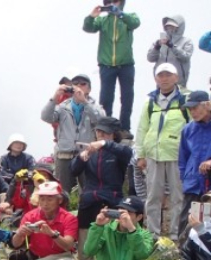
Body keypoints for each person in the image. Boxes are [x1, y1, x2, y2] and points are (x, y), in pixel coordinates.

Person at [71, 116, 132, 260]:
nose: (100, 134)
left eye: (105, 132)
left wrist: (104, 144)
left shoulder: (119, 151)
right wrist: (81, 158)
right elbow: (73, 170)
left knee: (109, 244)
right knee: (85, 245)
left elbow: (127, 153)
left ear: (113, 134)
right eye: (98, 130)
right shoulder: (89, 151)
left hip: (111, 201)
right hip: (89, 202)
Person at [135, 63, 189, 240]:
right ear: (156, 79)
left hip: (177, 155)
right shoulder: (149, 102)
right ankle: (152, 236)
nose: (164, 79)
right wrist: (140, 154)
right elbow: (142, 128)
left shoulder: (185, 100)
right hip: (154, 155)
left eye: (168, 75)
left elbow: (191, 127)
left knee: (177, 196)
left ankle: (176, 234)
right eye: (160, 75)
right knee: (153, 197)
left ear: (176, 77)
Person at [83, 0, 141, 136]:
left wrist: (119, 13)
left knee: (127, 97)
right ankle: (105, 128)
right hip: (106, 65)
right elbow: (88, 28)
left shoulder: (128, 17)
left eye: (115, 1)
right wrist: (92, 16)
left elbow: (135, 23)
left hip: (126, 64)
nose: (112, 3)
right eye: (109, 1)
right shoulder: (102, 21)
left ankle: (125, 128)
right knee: (106, 98)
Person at [41, 74, 104, 193]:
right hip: (64, 154)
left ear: (89, 89)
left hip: (86, 154)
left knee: (88, 191)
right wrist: (54, 98)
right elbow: (46, 117)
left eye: (83, 84)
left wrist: (85, 102)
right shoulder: (62, 106)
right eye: (75, 84)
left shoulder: (95, 106)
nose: (79, 86)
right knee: (61, 192)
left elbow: (100, 121)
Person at [11, 181, 78, 260]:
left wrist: (53, 234)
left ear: (59, 200)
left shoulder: (69, 218)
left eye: (50, 199)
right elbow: (15, 244)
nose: (45, 203)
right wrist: (20, 233)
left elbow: (68, 245)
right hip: (40, 259)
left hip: (63, 256)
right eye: (42, 199)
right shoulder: (30, 216)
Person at [178, 91, 211, 234]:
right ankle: (183, 255)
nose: (192, 112)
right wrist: (185, 178)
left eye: (195, 107)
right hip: (192, 184)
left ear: (207, 105)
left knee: (207, 225)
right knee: (185, 226)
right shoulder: (187, 129)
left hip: (209, 186)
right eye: (190, 109)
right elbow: (182, 158)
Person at [147, 15, 194, 88]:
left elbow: (185, 57)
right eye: (168, 26)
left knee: (180, 98)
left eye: (173, 26)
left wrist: (172, 46)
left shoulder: (187, 41)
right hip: (161, 84)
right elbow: (150, 58)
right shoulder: (159, 42)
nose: (170, 29)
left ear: (179, 27)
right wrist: (157, 46)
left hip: (179, 84)